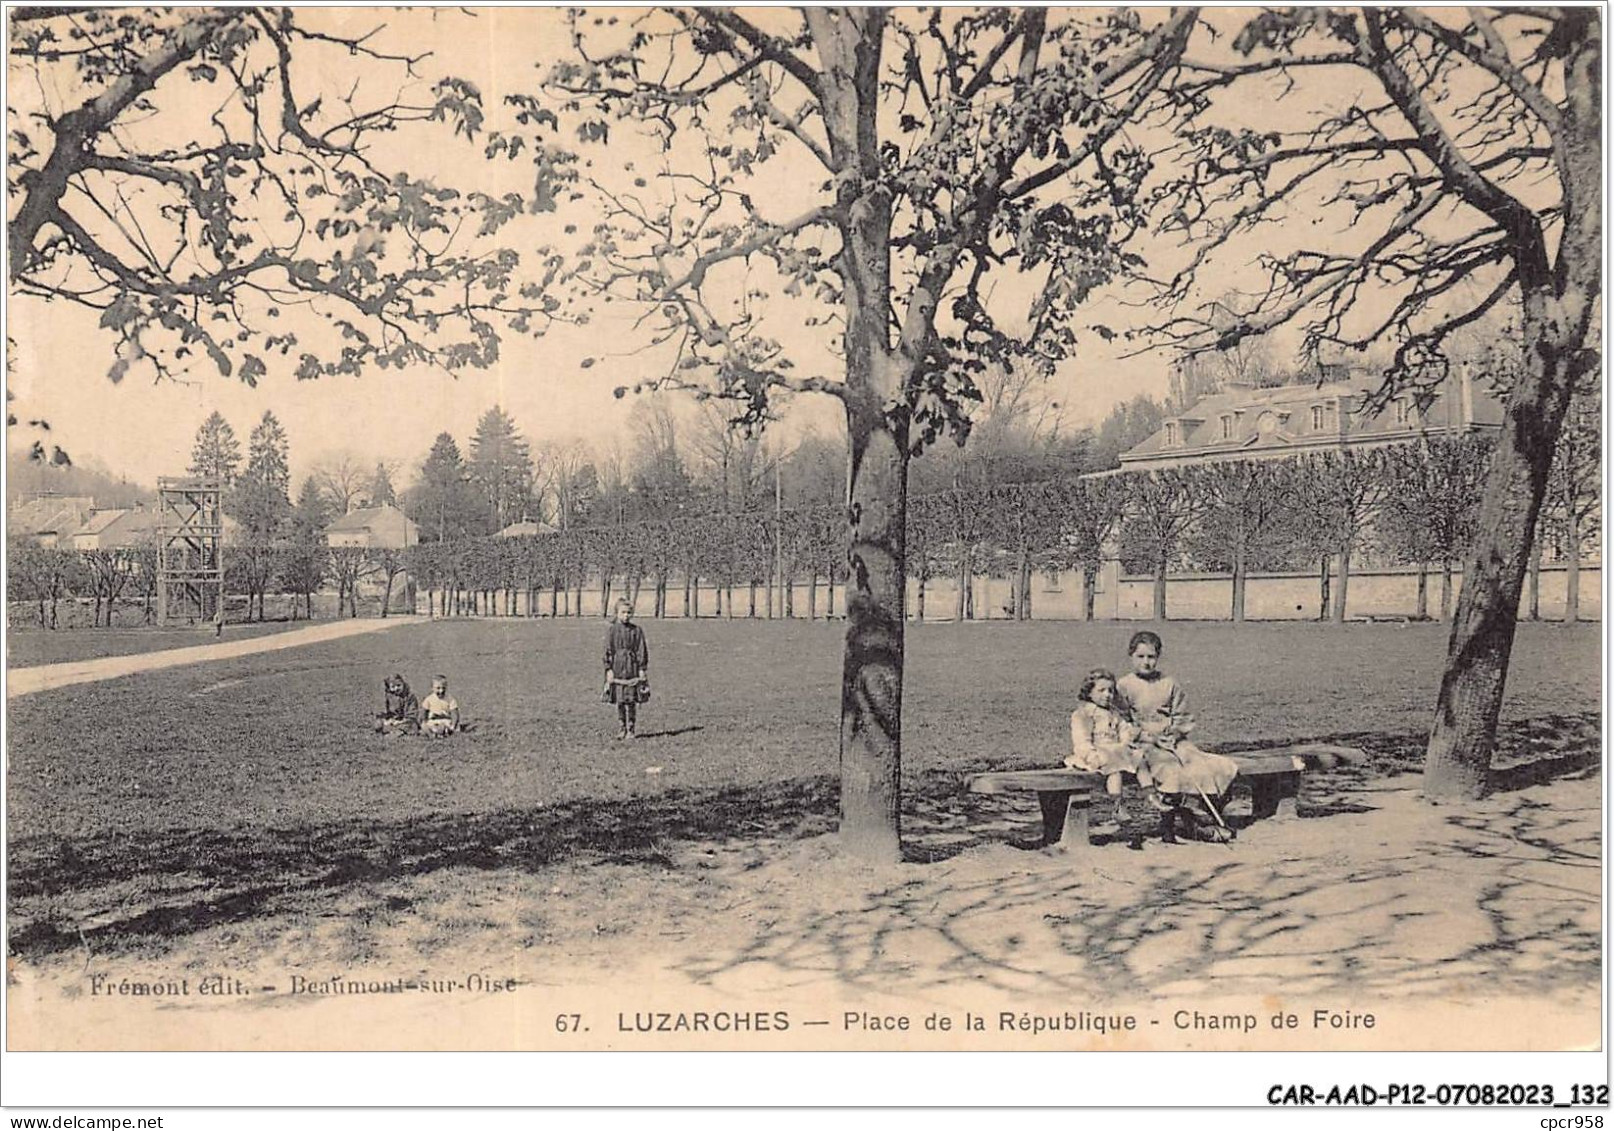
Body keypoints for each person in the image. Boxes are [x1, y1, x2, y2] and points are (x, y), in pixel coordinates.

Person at [1115, 630, 1240, 844]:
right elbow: (1121, 722)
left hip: (1172, 740)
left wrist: (1174, 733)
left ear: (1158, 657)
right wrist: (1147, 736)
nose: (1146, 662)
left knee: (1208, 765)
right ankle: (1169, 827)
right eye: (1141, 657)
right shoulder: (1124, 686)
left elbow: (1182, 715)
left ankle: (1201, 819)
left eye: (1151, 657)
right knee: (1170, 769)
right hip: (1143, 745)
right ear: (1131, 656)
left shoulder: (1169, 683)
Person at [1065, 668, 1156, 835]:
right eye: (1101, 690)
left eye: (1111, 691)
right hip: (1097, 754)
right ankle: (1117, 806)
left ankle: (1151, 796)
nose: (1107, 695)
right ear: (1089, 692)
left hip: (1114, 752)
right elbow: (1081, 740)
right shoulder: (1084, 714)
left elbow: (1124, 732)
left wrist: (1131, 737)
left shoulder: (1114, 714)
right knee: (1114, 770)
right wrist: (1090, 754)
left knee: (1140, 759)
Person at [603, 599, 649, 739]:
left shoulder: (637, 630)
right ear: (617, 613)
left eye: (629, 613)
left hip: (632, 667)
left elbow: (641, 650)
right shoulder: (612, 630)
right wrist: (608, 669)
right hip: (617, 667)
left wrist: (641, 668)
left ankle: (631, 728)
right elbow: (607, 650)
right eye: (623, 612)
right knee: (620, 700)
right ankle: (621, 727)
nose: (626, 615)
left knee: (631, 699)